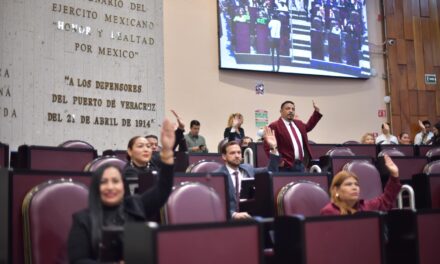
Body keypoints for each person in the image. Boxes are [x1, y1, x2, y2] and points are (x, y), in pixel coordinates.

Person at [67, 119, 175, 263]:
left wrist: (167, 152)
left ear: (123, 186)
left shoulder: (135, 206)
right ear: (95, 188)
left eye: (115, 181)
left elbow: (162, 189)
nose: (110, 187)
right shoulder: (83, 220)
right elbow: (78, 261)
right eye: (104, 182)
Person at [216, 126, 279, 220]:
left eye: (239, 152)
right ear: (224, 157)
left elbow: (271, 171)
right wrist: (233, 215)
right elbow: (215, 204)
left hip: (250, 217)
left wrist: (273, 148)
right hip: (229, 220)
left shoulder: (248, 168)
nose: (237, 156)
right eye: (232, 153)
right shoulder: (218, 176)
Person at [321, 155, 401, 215]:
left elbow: (385, 201)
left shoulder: (366, 206)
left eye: (356, 184)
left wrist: (394, 175)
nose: (354, 188)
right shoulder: (329, 211)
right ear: (336, 190)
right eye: (348, 184)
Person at [264, 100, 322, 172]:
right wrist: (279, 161)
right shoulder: (275, 126)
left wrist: (316, 112)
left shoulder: (299, 123)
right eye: (288, 108)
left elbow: (308, 127)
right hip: (285, 167)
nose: (291, 111)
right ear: (281, 111)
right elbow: (267, 146)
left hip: (301, 165)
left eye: (293, 109)